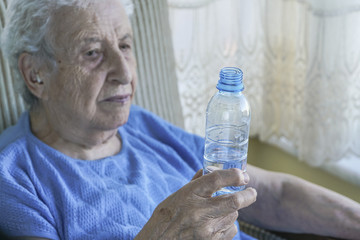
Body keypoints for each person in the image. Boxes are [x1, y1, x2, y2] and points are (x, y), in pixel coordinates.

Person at [0, 0, 359, 239]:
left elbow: (273, 195)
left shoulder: (140, 126)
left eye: (125, 45)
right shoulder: (15, 178)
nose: (124, 73)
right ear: (36, 75)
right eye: (92, 53)